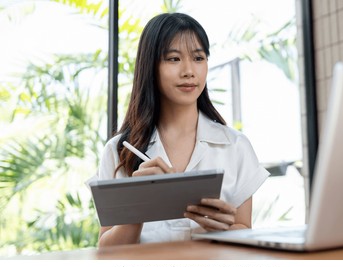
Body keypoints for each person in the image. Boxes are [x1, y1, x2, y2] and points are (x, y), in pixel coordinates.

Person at [96, 12, 269, 247]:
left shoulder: (235, 146)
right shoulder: (118, 151)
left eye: (198, 58)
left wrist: (223, 227)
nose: (189, 71)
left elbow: (244, 230)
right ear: (151, 67)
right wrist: (138, 205)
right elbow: (107, 250)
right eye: (174, 59)